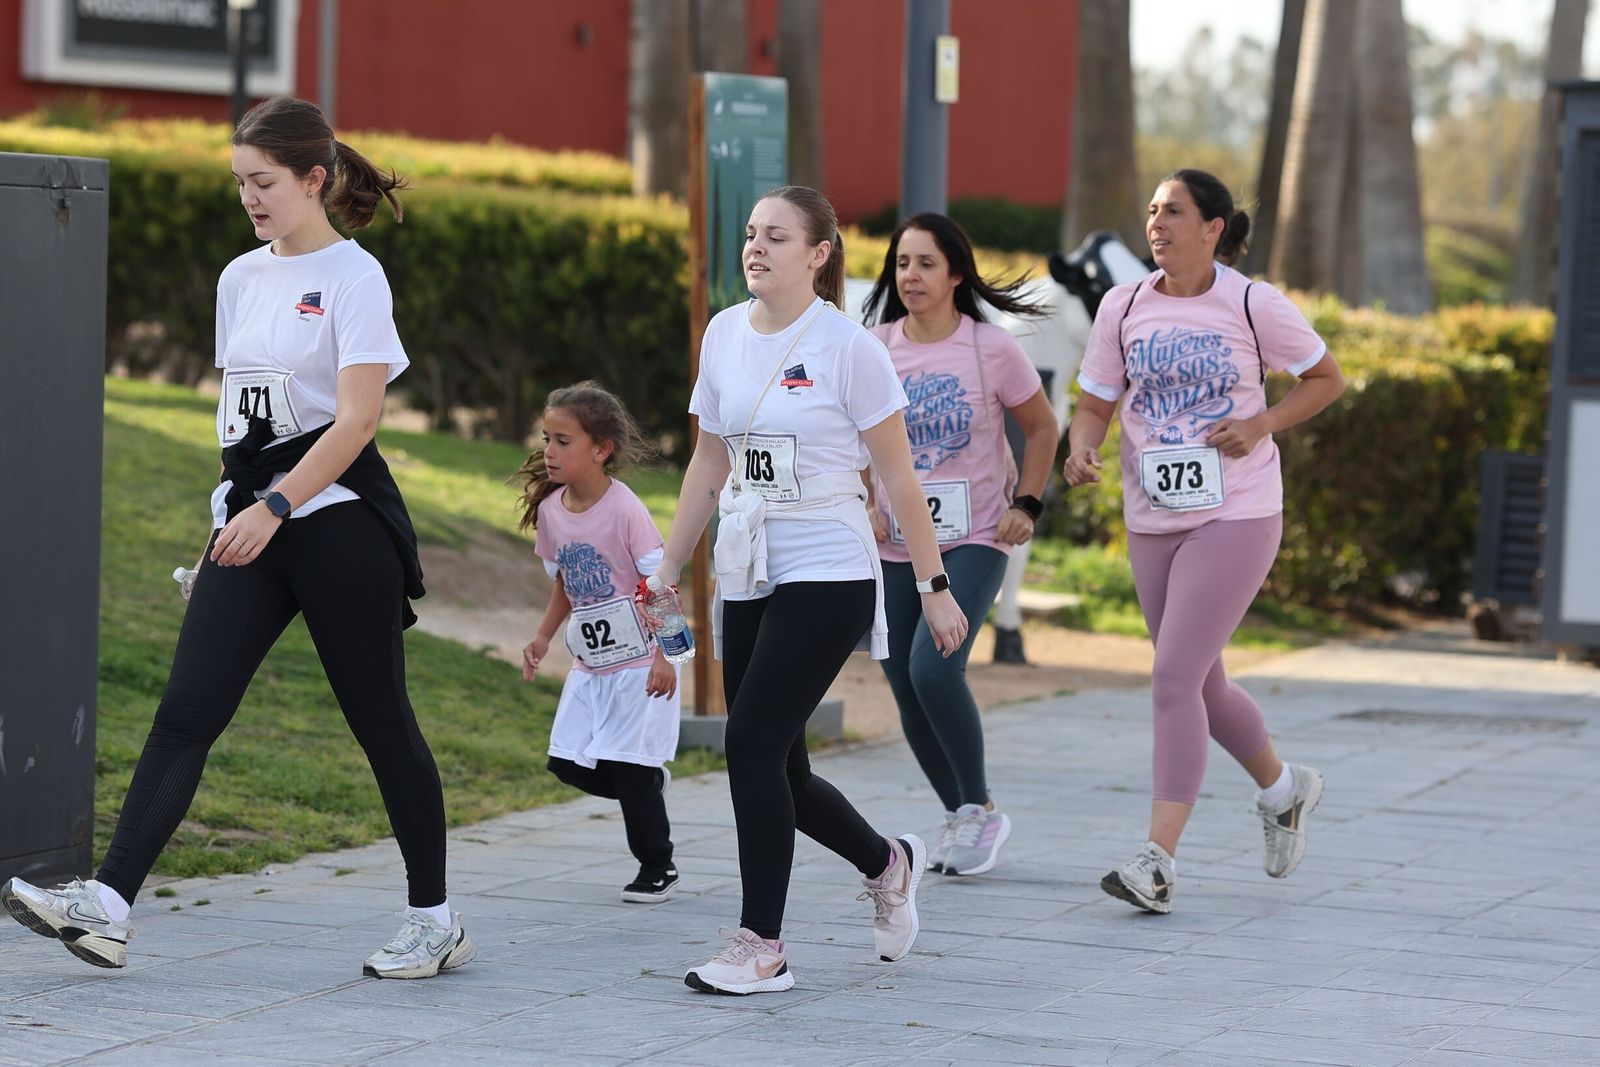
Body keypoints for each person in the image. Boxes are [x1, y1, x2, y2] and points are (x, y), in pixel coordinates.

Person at [1, 96, 474, 978]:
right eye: (239, 183)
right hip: (250, 523)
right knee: (185, 713)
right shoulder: (239, 278)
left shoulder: (356, 278)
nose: (250, 197)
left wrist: (277, 507)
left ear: (314, 179)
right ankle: (107, 906)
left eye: (264, 181)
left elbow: (358, 421)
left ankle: (434, 919)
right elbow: (240, 429)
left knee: (381, 723)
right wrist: (221, 526)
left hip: (339, 524)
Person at [655, 186, 968, 995]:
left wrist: (933, 585)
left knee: (750, 742)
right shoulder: (724, 333)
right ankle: (887, 862)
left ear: (819, 254)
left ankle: (762, 946)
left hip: (829, 560)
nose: (755, 248)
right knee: (781, 768)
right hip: (749, 562)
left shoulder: (848, 347)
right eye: (750, 234)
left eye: (777, 237)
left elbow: (899, 476)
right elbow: (710, 461)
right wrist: (666, 565)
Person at [1062, 169, 1346, 914]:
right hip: (1153, 514)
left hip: (1238, 512)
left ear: (1214, 228)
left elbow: (1325, 378)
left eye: (1174, 212)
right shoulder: (1123, 305)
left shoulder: (1253, 303)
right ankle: (1284, 790)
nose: (1157, 224)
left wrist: (1262, 424)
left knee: (1171, 677)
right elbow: (1094, 404)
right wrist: (1081, 445)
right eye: (1153, 211)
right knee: (1201, 684)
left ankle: (1156, 861)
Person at [860, 213, 1059, 877]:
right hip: (897, 544)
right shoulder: (875, 348)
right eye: (901, 263)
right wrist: (865, 498)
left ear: (955, 275)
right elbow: (850, 435)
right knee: (902, 680)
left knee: (934, 668)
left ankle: (979, 806)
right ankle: (962, 813)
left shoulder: (989, 348)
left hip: (976, 536)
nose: (910, 276)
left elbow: (1041, 426)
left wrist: (1026, 503)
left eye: (925, 263)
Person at [516, 382, 682, 904]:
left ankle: (656, 866)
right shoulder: (552, 510)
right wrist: (543, 637)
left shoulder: (625, 509)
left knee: (628, 768)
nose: (549, 451)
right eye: (547, 439)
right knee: (567, 763)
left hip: (642, 662)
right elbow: (565, 583)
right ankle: (647, 786)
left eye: (563, 441)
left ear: (601, 449)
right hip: (592, 663)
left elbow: (660, 586)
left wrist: (666, 657)